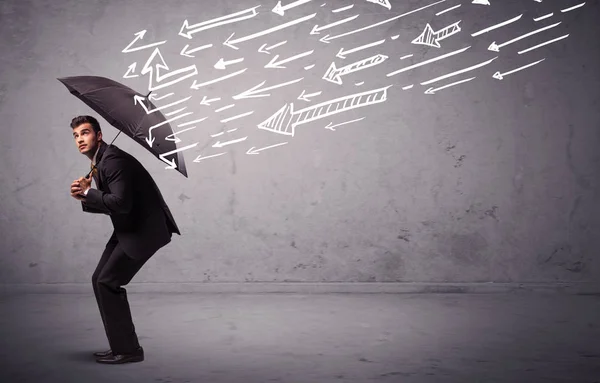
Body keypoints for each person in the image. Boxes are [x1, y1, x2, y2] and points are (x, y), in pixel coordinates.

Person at [69, 115, 180, 364]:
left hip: (143, 230)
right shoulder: (101, 162)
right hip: (127, 227)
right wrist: (86, 196)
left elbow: (121, 204)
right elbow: (116, 205)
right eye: (76, 136)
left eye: (85, 133)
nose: (80, 139)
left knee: (108, 282)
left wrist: (89, 192)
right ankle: (122, 346)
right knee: (100, 280)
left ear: (99, 135)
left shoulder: (113, 161)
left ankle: (129, 351)